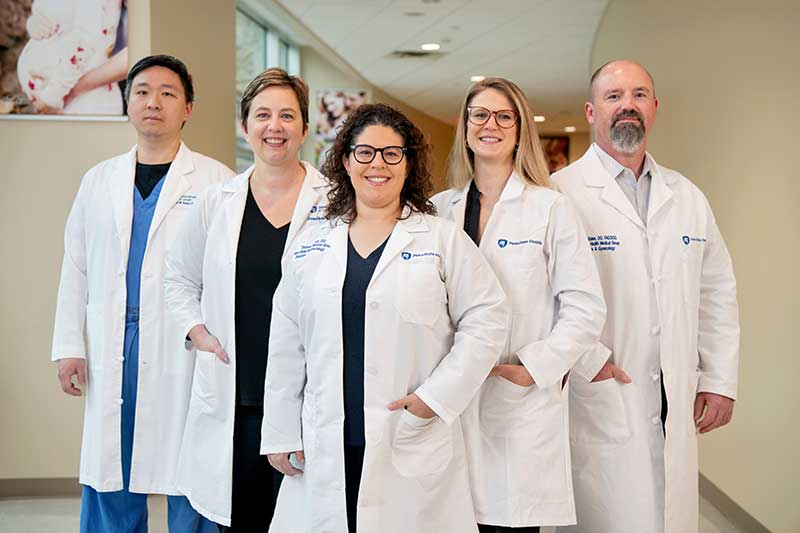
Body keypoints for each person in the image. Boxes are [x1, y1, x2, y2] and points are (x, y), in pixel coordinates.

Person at [261, 103, 509, 533]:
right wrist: (281, 429)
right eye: (365, 152)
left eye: (392, 153)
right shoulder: (312, 242)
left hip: (408, 433)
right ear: (345, 160)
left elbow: (488, 317)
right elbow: (286, 340)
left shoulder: (440, 238)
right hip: (326, 440)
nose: (378, 164)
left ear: (408, 163)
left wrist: (437, 396)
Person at [552, 60, 740, 533]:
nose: (627, 106)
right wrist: (585, 358)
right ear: (592, 112)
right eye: (614, 97)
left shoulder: (688, 196)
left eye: (639, 95)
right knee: (606, 514)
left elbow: (716, 293)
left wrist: (719, 379)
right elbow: (539, 298)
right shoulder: (558, 194)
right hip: (598, 391)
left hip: (672, 390)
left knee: (668, 514)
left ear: (654, 108)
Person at [51, 54, 233, 533]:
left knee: (189, 465)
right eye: (143, 91)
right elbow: (76, 268)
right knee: (112, 468)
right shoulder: (98, 180)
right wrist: (69, 347)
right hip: (113, 342)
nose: (154, 102)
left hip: (184, 343)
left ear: (188, 107)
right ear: (127, 102)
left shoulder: (216, 182)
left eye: (168, 93)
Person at [432, 77, 607, 532]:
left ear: (519, 128)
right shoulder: (437, 210)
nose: (491, 125)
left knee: (510, 523)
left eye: (504, 116)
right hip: (448, 402)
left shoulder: (550, 209)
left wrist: (535, 367)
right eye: (480, 114)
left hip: (517, 404)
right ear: (464, 125)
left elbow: (585, 308)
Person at [163, 68, 329, 531]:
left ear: (304, 127)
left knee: (307, 519)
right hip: (235, 396)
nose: (274, 126)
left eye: (286, 116)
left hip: (307, 396)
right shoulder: (217, 201)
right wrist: (197, 332)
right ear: (245, 126)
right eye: (262, 115)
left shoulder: (336, 204)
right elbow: (176, 276)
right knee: (241, 519)